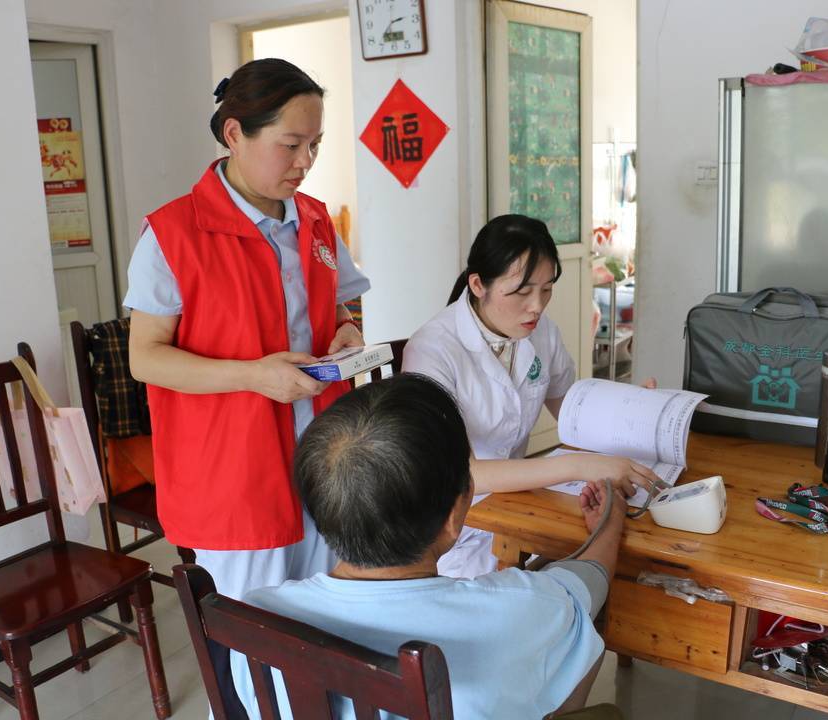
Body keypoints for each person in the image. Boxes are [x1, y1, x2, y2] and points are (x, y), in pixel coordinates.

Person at [235, 374, 627, 719]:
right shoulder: (520, 609)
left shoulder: (255, 617)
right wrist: (609, 522)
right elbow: (589, 581)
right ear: (455, 514)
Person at [125, 58, 370, 605]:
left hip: (325, 452)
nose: (305, 162)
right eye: (291, 145)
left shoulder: (314, 219)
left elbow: (336, 302)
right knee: (257, 630)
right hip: (235, 467)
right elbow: (146, 357)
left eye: (315, 145)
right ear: (234, 134)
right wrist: (254, 376)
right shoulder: (174, 233)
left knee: (329, 611)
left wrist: (347, 330)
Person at [402, 214, 660, 578]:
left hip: (514, 506)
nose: (537, 306)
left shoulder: (540, 333)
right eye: (522, 292)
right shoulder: (432, 350)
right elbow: (466, 473)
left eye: (546, 289)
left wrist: (630, 411)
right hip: (450, 529)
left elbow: (572, 412)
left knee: (626, 548)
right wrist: (579, 466)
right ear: (478, 284)